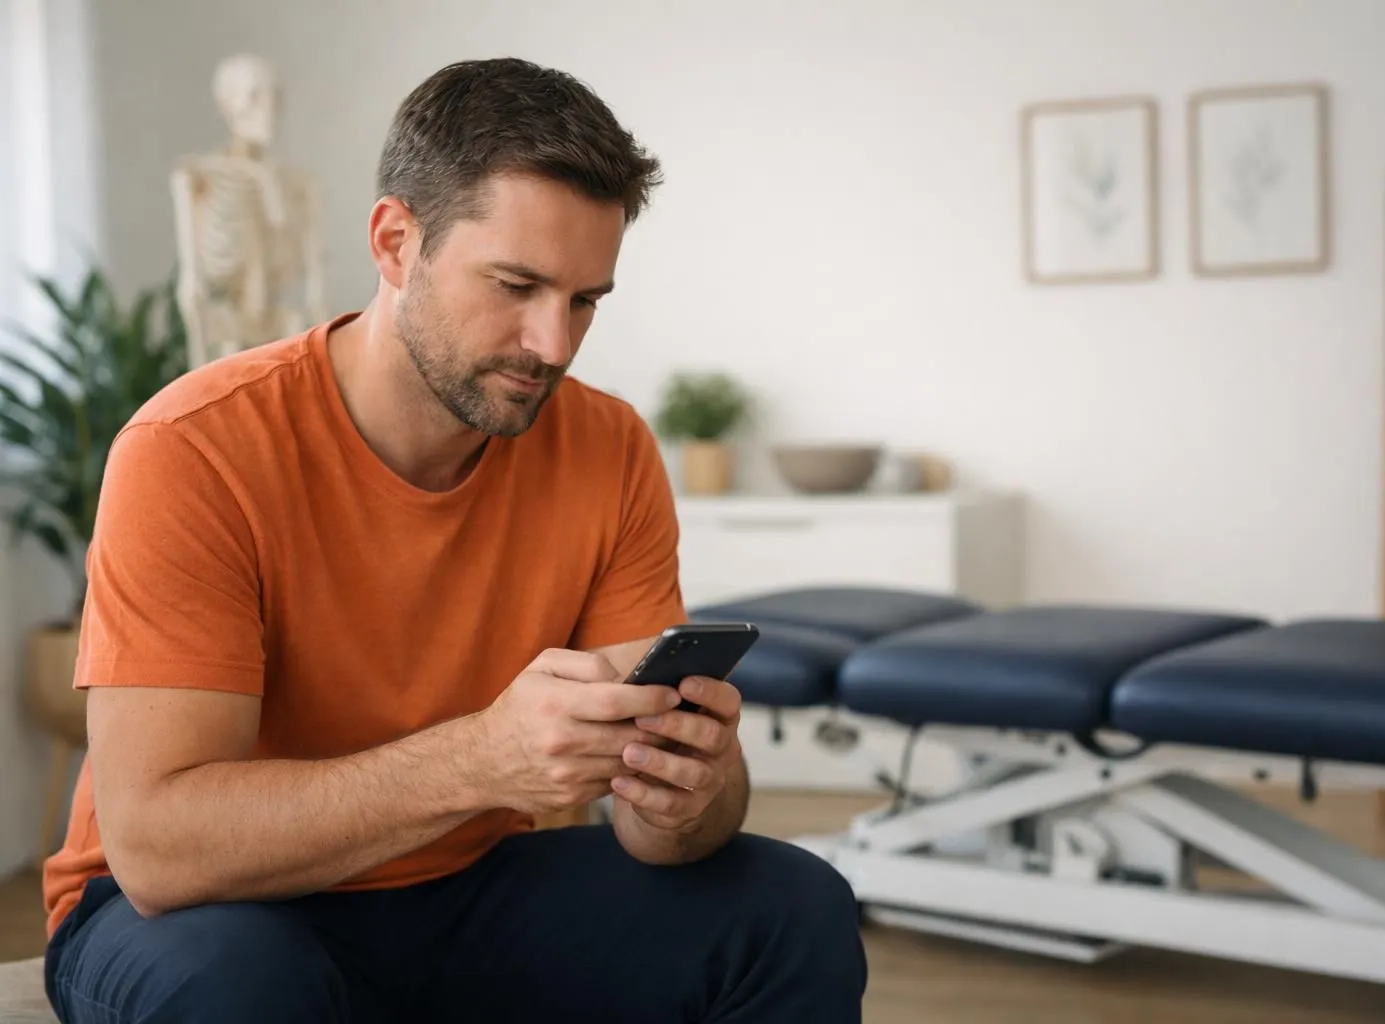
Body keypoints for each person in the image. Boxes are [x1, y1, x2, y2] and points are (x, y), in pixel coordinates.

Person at [40, 56, 868, 1023]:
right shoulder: (194, 449)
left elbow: (665, 839)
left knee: (792, 907)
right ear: (396, 242)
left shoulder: (609, 449)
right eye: (516, 285)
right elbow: (158, 850)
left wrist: (689, 796)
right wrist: (481, 759)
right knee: (247, 989)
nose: (553, 343)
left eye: (585, 299)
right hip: (192, 912)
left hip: (456, 885)